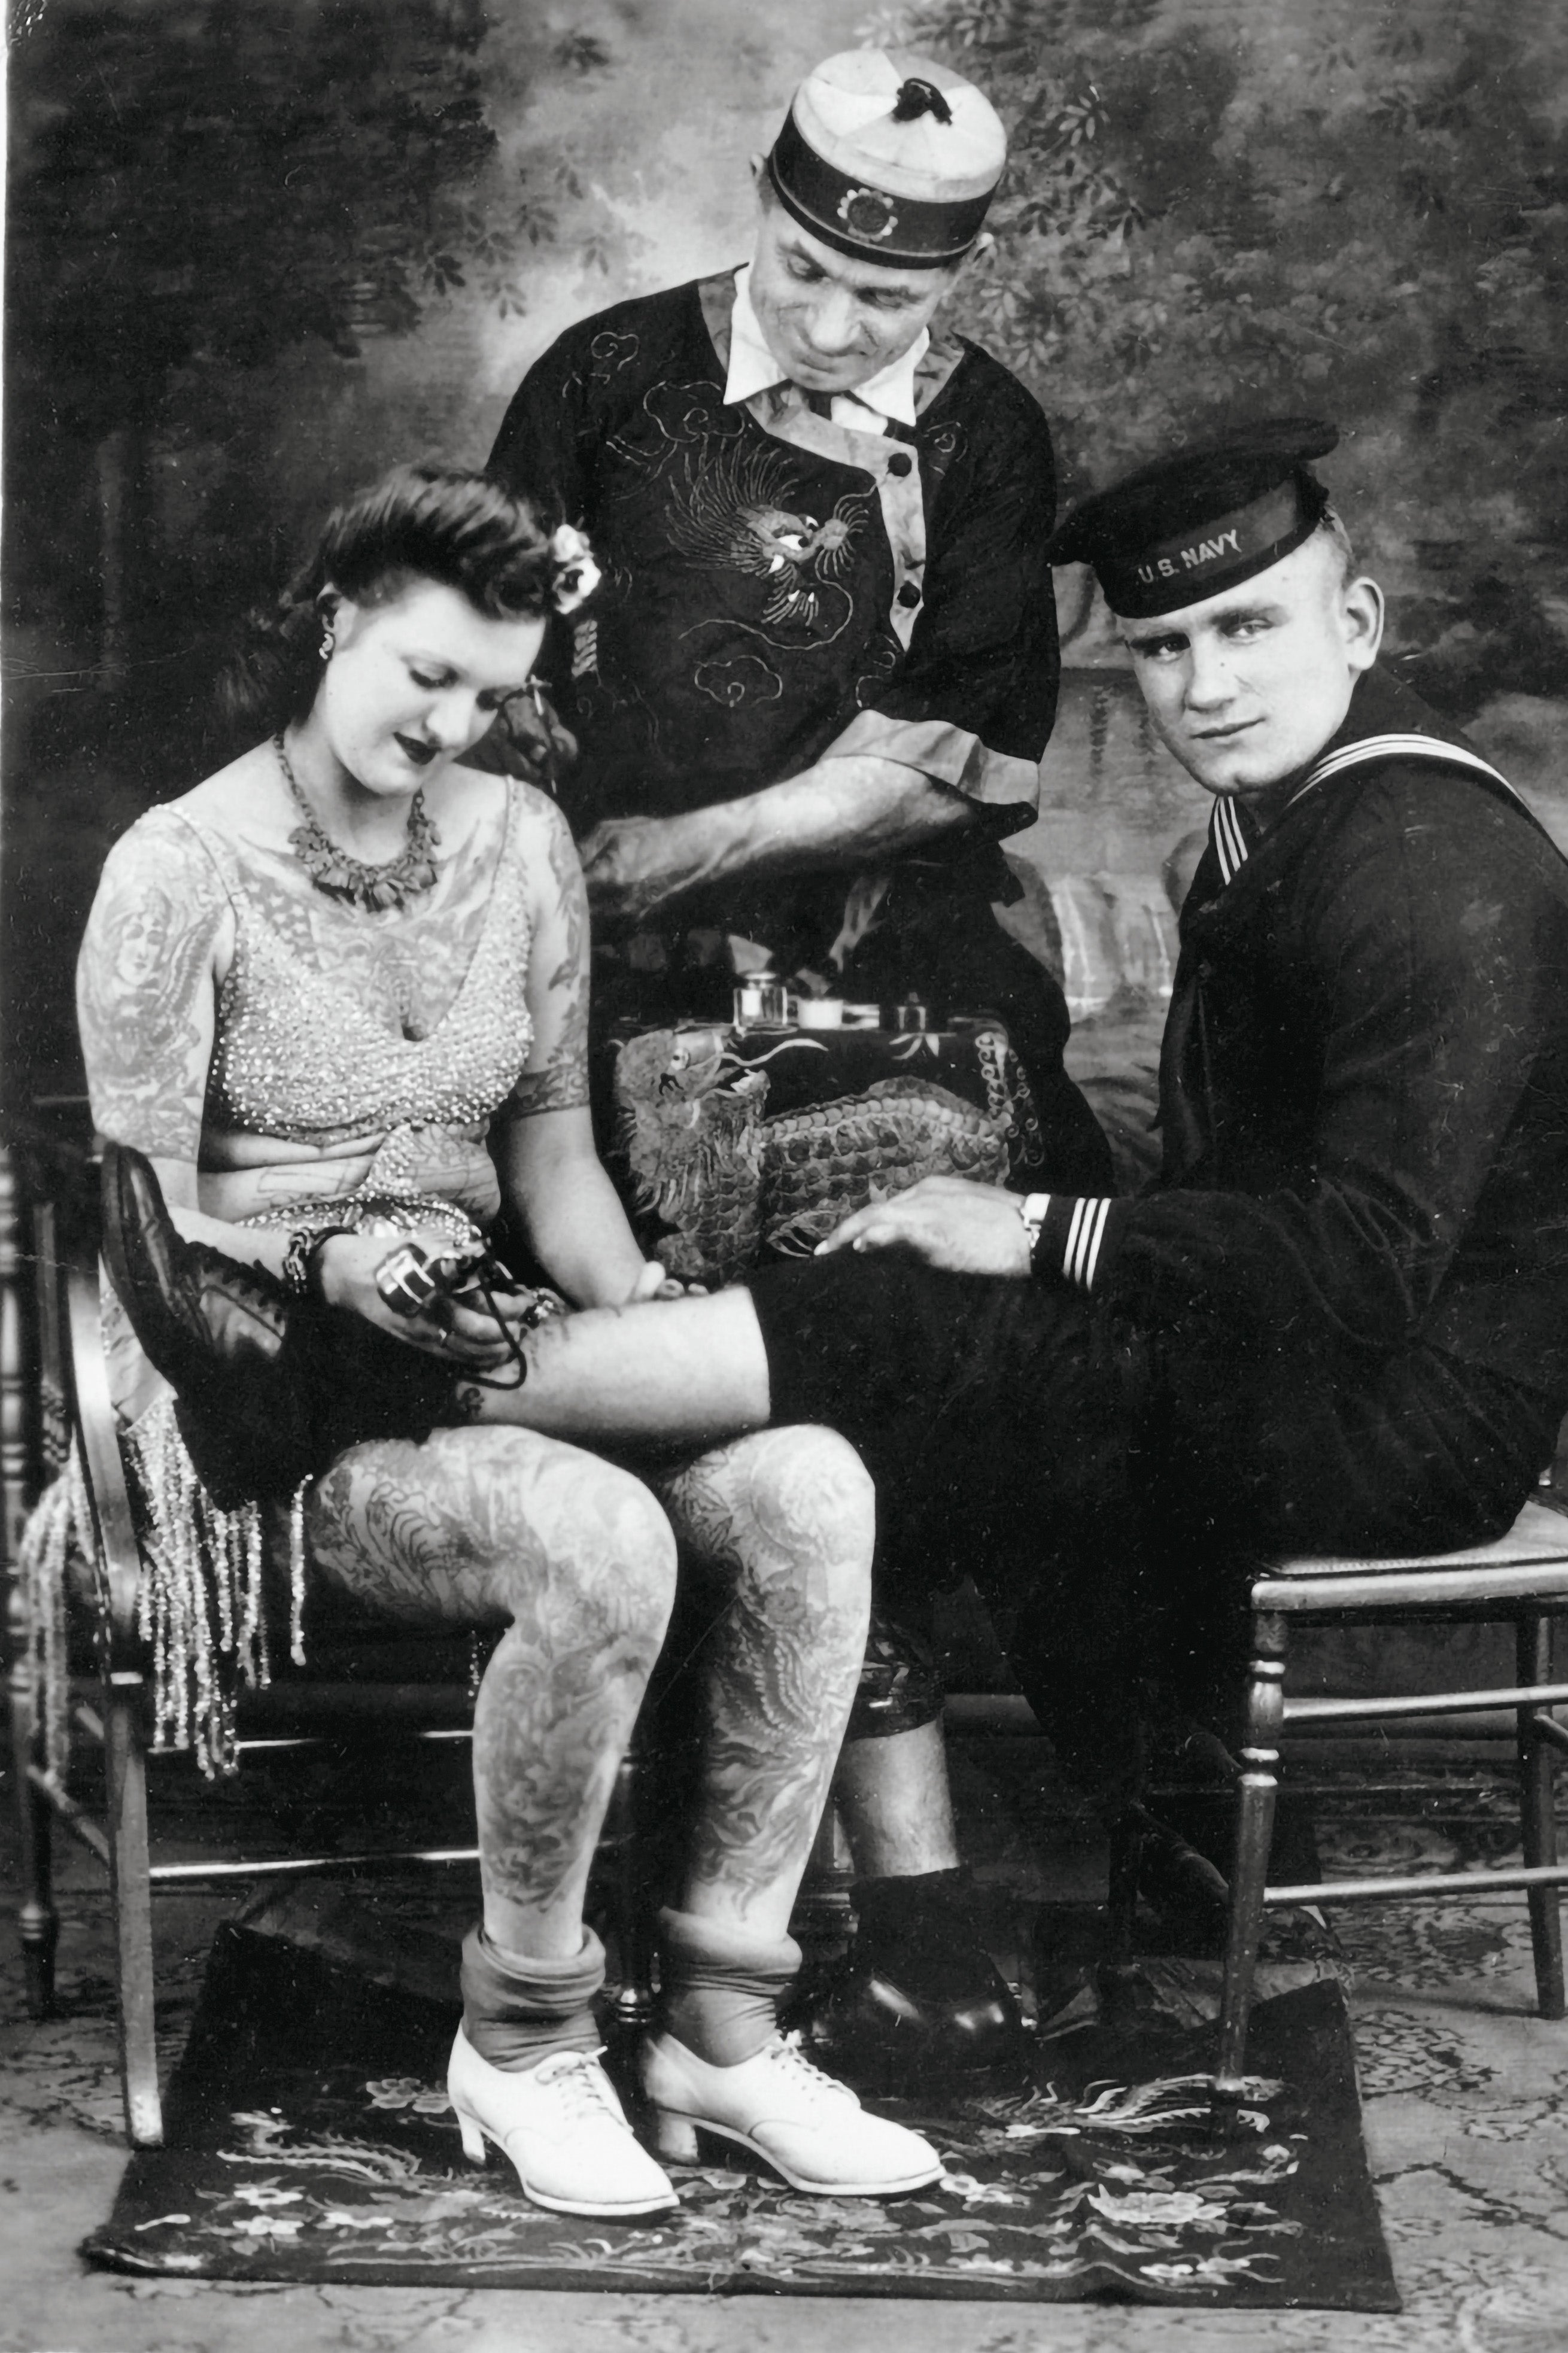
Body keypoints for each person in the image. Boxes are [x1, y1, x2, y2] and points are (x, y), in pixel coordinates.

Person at [114, 418, 1568, 1995]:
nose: (1207, 685)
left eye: (1249, 629)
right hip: (1308, 1356)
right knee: (916, 1372)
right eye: (1166, 648)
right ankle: (964, 1917)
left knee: (938, 1333)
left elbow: (1364, 1268)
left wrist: (1035, 1233)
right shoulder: (1289, 817)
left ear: (1357, 623)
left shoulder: (1428, 859)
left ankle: (324, 1383)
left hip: (1414, 1410)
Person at [80, 462, 941, 2218]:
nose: (455, 726)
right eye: (429, 676)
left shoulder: (522, 840)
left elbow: (550, 1154)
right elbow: (150, 1219)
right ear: (334, 618)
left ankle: (720, 2027)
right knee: (597, 1533)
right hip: (266, 1388)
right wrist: (336, 1263)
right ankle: (530, 2042)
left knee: (811, 1486)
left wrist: (626, 1305)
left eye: (494, 693)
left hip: (497, 1339)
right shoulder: (176, 868)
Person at [484, 45, 1113, 2060]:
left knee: (924, 1258)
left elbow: (958, 756)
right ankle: (869, 1888)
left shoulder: (987, 434)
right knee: (757, 1272)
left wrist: (715, 838)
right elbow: (486, 664)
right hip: (619, 974)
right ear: (761, 205)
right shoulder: (606, 381)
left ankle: (851, 1888)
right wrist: (564, 845)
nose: (840, 326)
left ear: (957, 277)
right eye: (808, 272)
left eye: (890, 299)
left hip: (896, 957)